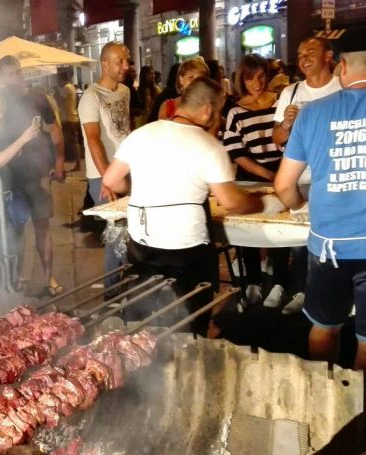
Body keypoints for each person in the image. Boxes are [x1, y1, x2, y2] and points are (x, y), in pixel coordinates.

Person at [102, 77, 284, 335]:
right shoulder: (209, 146)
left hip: (142, 242)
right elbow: (230, 201)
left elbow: (111, 180)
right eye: (219, 110)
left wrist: (141, 188)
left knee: (141, 310)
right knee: (191, 316)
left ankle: (140, 355)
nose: (218, 117)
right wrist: (266, 203)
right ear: (208, 109)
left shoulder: (141, 134)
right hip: (186, 248)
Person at [273, 49, 366, 369]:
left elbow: (284, 185)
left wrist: (303, 207)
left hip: (329, 245)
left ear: (341, 66)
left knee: (325, 327)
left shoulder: (312, 113)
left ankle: (326, 399)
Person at [272, 36, 342, 314]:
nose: (304, 58)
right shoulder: (290, 92)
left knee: (329, 236)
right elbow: (277, 137)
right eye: (300, 53)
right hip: (299, 177)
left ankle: (328, 293)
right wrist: (287, 124)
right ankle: (301, 290)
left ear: (328, 55)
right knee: (299, 241)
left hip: (332, 177)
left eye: (311, 51)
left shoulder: (343, 88)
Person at [223, 54, 291, 308]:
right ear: (242, 79)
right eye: (250, 78)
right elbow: (237, 153)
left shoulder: (279, 103)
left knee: (279, 230)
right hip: (252, 175)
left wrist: (281, 174)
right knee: (249, 230)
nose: (256, 82)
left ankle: (280, 283)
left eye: (261, 76)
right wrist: (269, 176)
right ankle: (252, 282)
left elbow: (289, 139)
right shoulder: (236, 111)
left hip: (282, 169)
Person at [0, 54, 66, 296]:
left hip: (37, 172)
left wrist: (59, 160)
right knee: (15, 230)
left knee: (42, 227)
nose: (14, 78)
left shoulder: (37, 96)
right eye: (9, 74)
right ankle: (19, 276)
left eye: (17, 72)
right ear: (1, 77)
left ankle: (49, 277)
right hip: (10, 176)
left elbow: (54, 127)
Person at [78, 42, 132, 287]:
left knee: (132, 232)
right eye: (120, 61)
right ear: (105, 63)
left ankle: (128, 285)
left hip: (128, 170)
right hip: (103, 176)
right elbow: (93, 140)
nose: (126, 66)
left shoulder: (125, 92)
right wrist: (107, 180)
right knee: (117, 233)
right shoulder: (91, 97)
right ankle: (112, 292)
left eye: (127, 61)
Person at [55, 71, 82, 171]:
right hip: (72, 117)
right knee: (73, 142)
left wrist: (56, 94)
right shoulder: (71, 87)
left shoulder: (66, 88)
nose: (57, 82)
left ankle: (77, 163)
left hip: (68, 119)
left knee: (70, 142)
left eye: (58, 79)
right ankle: (77, 163)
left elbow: (60, 101)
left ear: (62, 79)